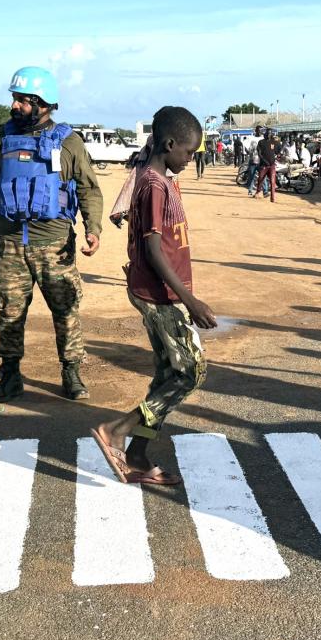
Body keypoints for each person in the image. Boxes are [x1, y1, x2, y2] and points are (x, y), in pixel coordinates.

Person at [91, 107, 216, 486]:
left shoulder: (160, 179)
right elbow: (154, 250)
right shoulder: (154, 185)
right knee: (190, 372)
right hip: (161, 294)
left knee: (167, 375)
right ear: (170, 144)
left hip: (161, 291)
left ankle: (138, 453)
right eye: (189, 152)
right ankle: (117, 430)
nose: (191, 159)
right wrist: (190, 301)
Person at [0, 66, 104, 402]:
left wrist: (93, 228)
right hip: (9, 243)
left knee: (66, 310)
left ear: (43, 103)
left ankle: (71, 372)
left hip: (54, 244)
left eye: (22, 100)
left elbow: (88, 188)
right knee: (10, 312)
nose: (14, 105)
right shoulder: (0, 137)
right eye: (14, 98)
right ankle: (10, 376)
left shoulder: (69, 141)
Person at [253, 128, 278, 202]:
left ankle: (272, 198)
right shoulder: (261, 142)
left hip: (272, 165)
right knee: (260, 179)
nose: (268, 135)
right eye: (267, 133)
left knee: (272, 181)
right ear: (265, 134)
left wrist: (279, 153)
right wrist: (264, 161)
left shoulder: (274, 142)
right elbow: (259, 153)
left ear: (271, 134)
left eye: (270, 133)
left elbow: (278, 150)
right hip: (263, 165)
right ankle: (258, 192)